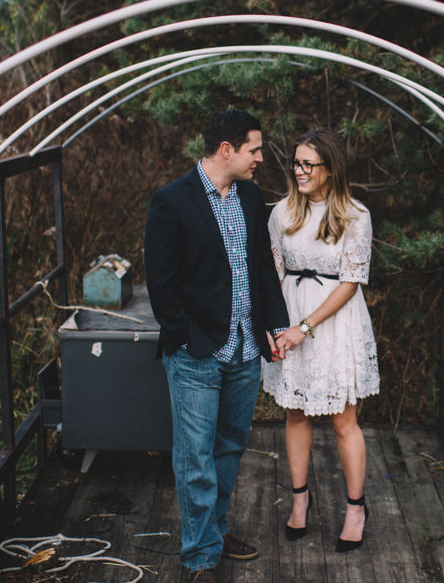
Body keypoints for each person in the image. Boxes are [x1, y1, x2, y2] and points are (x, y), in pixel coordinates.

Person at [145, 109, 290, 583]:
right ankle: (201, 557)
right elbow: (160, 282)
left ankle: (215, 529)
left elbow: (262, 270)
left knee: (229, 447)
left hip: (246, 349)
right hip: (195, 353)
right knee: (195, 459)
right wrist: (183, 336)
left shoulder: (250, 196)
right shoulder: (171, 201)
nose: (260, 159)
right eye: (254, 149)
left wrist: (274, 326)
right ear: (226, 150)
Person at [266, 128, 379, 552]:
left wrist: (305, 328)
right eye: (296, 162)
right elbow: (273, 273)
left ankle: (355, 509)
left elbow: (350, 283)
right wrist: (276, 326)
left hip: (335, 322)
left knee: (342, 420)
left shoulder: (354, 215)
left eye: (308, 164)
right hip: (289, 317)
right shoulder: (281, 213)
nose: (299, 171)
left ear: (330, 170)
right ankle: (300, 502)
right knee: (295, 414)